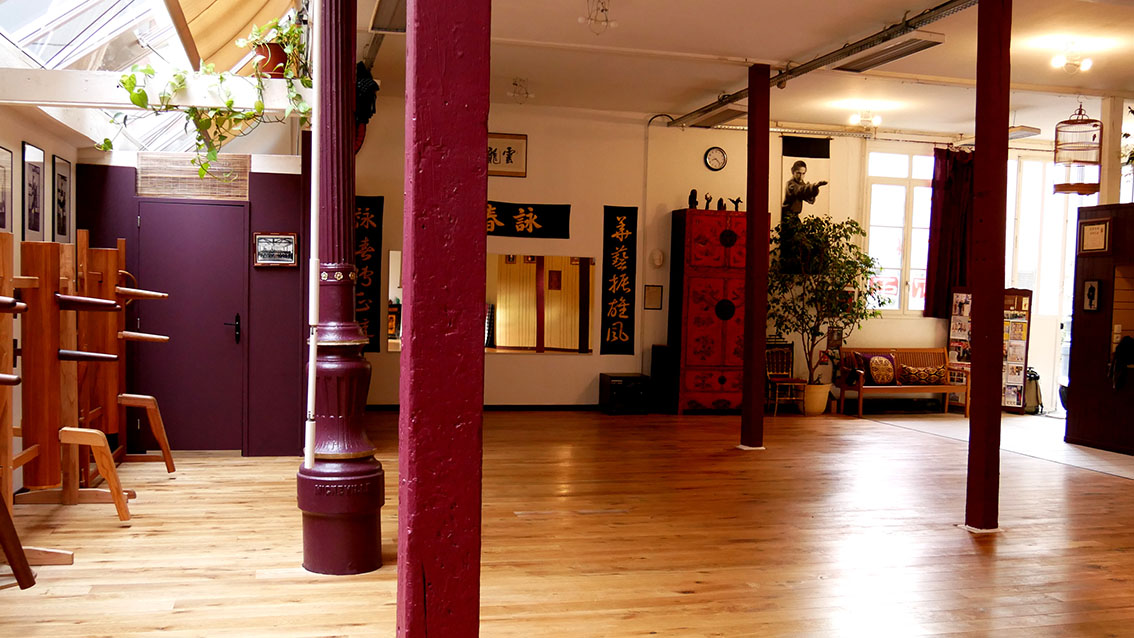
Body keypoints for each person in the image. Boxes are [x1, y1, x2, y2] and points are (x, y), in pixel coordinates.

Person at [779, 160, 827, 273]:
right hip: (787, 218)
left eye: (803, 173)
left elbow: (810, 199)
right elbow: (800, 190)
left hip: (794, 217)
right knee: (793, 245)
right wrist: (814, 186)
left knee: (802, 243)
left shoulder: (801, 184)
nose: (801, 176)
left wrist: (814, 189)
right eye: (798, 173)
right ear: (792, 171)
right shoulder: (790, 184)